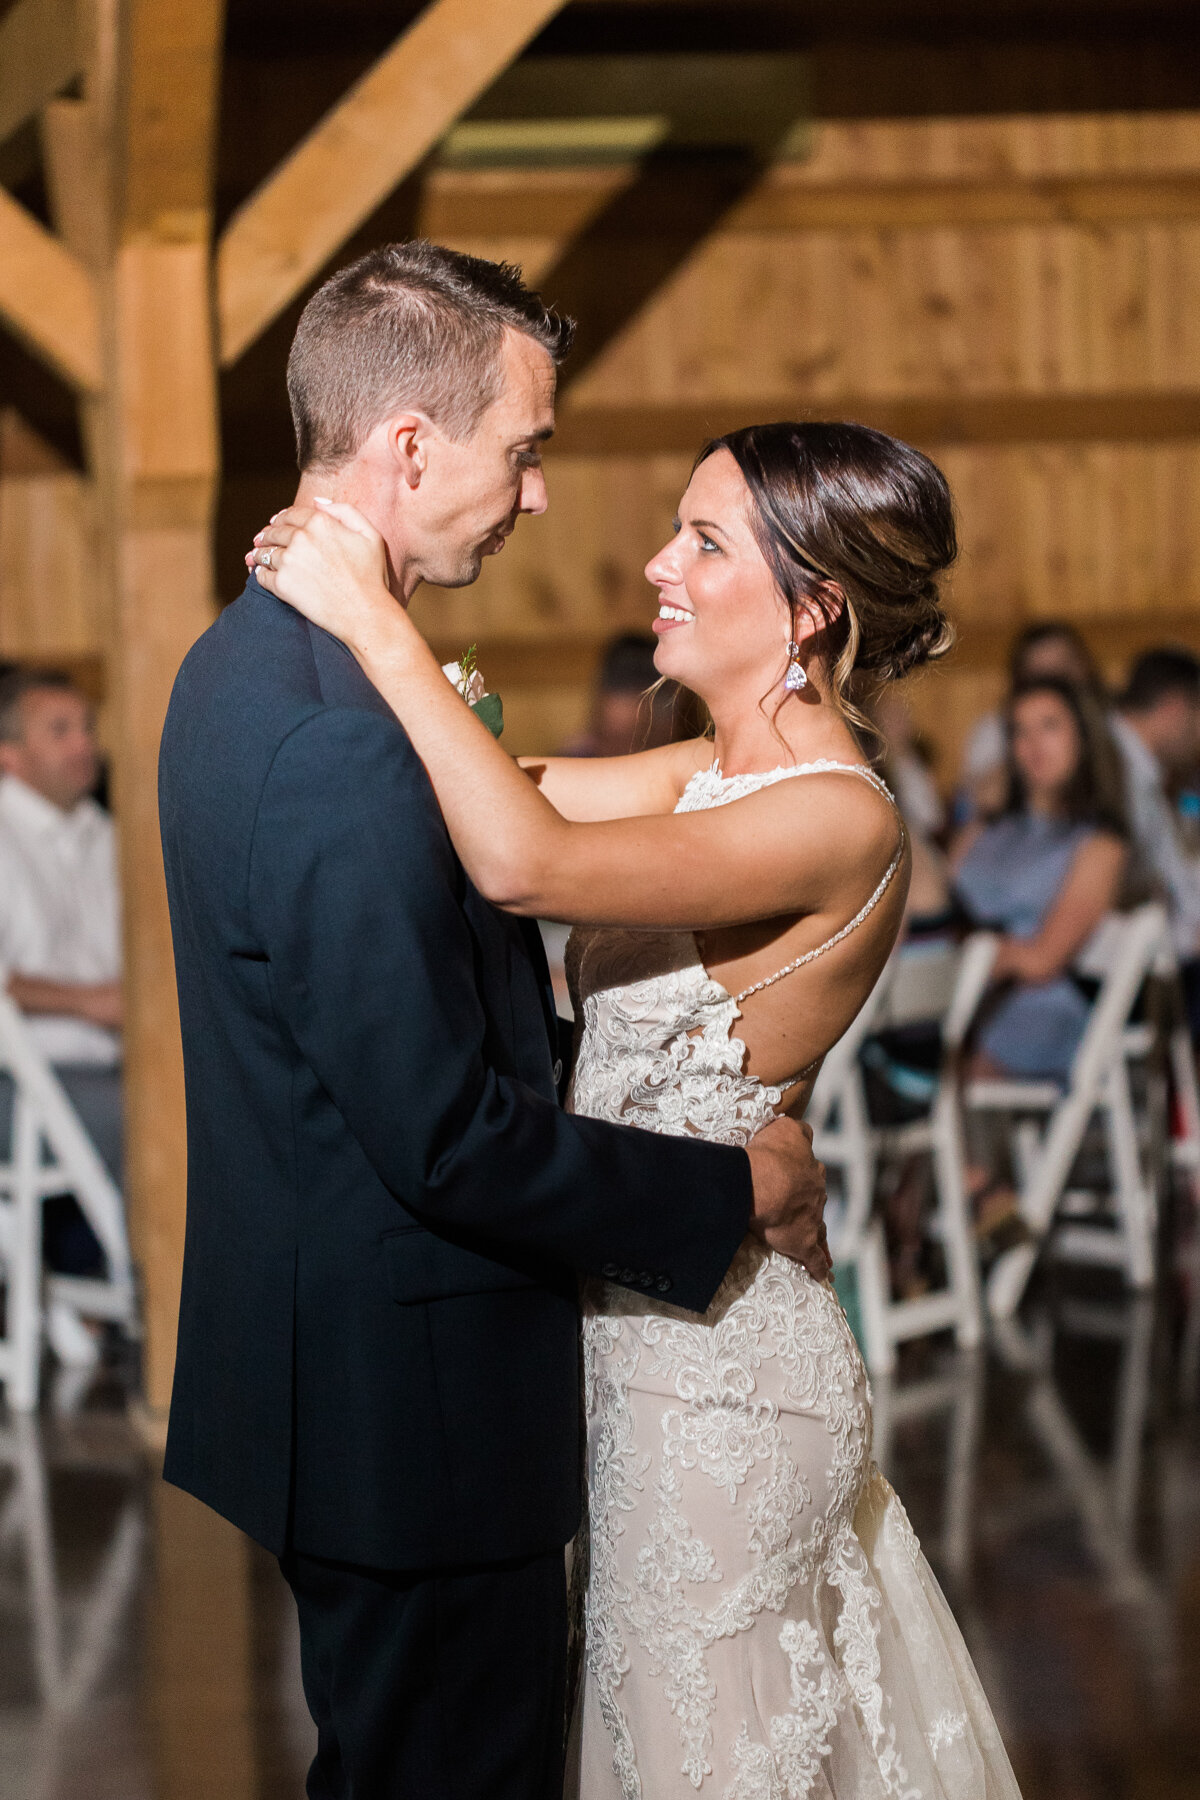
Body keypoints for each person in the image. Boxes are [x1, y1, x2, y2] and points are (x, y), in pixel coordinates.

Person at [253, 415, 1023, 1798]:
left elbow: (527, 860)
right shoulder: (711, 772)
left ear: (814, 606)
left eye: (705, 541)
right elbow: (505, 790)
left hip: (723, 1380)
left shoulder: (840, 813)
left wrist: (375, 628)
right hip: (643, 1349)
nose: (658, 563)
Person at [159, 242, 829, 1800]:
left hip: (343, 1372)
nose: (536, 494)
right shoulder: (345, 740)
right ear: (411, 446)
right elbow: (446, 1136)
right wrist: (732, 1190)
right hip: (421, 1410)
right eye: (522, 449)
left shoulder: (240, 664)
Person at [0, 667, 123, 1365]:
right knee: (155, 1121)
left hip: (106, 1066)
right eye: (61, 730)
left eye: (88, 729)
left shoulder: (102, 831)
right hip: (24, 1082)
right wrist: (91, 1002)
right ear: (9, 755)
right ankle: (156, 1308)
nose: (85, 746)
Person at [953, 676, 1129, 1083]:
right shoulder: (982, 830)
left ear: (1083, 737)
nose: (1034, 744)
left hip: (1029, 1005)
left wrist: (954, 959)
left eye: (1049, 726)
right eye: (1020, 731)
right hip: (957, 992)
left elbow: (1044, 959)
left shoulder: (1099, 843)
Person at [1110, 650, 1200, 1020]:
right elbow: (1128, 890)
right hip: (1124, 965)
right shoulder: (1114, 766)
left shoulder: (1140, 769)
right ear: (1176, 708)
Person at [958, 620, 1105, 821]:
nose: (1057, 682)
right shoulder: (995, 729)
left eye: (1064, 667)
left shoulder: (1114, 723)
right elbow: (977, 803)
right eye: (1042, 674)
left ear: (1085, 666)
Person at [561, 631, 698, 757]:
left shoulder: (699, 764)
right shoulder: (574, 765)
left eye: (642, 741)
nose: (625, 756)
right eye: (612, 739)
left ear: (674, 727)